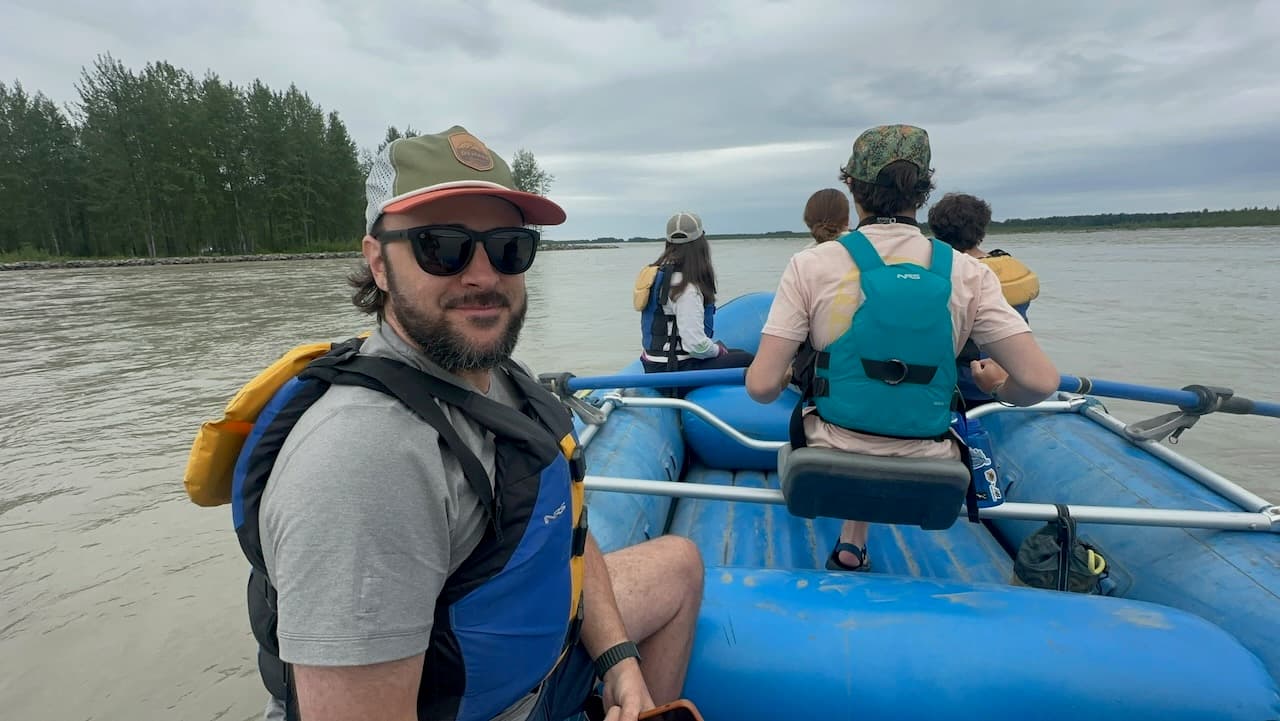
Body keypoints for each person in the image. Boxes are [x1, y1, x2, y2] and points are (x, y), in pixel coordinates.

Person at [232, 126, 704, 721]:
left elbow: (570, 540)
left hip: (536, 663)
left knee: (679, 565)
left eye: (508, 247)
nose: (483, 276)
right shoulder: (364, 464)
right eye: (442, 246)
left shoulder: (501, 377)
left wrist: (619, 661)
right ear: (378, 263)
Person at [744, 124, 1060, 572]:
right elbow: (1040, 382)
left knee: (851, 402)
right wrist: (996, 387)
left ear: (852, 187)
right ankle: (856, 539)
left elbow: (760, 388)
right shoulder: (969, 273)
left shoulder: (811, 264)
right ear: (924, 191)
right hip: (930, 453)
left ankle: (851, 541)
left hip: (830, 448)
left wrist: (781, 373)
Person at [927, 192, 1041, 409]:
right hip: (1014, 376)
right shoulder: (1010, 267)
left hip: (966, 384)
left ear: (937, 231)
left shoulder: (948, 275)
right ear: (982, 228)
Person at [635, 212, 754, 378]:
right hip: (675, 370)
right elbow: (696, 346)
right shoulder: (686, 287)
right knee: (747, 359)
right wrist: (718, 350)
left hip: (654, 365)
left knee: (736, 352)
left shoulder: (658, 275)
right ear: (700, 243)